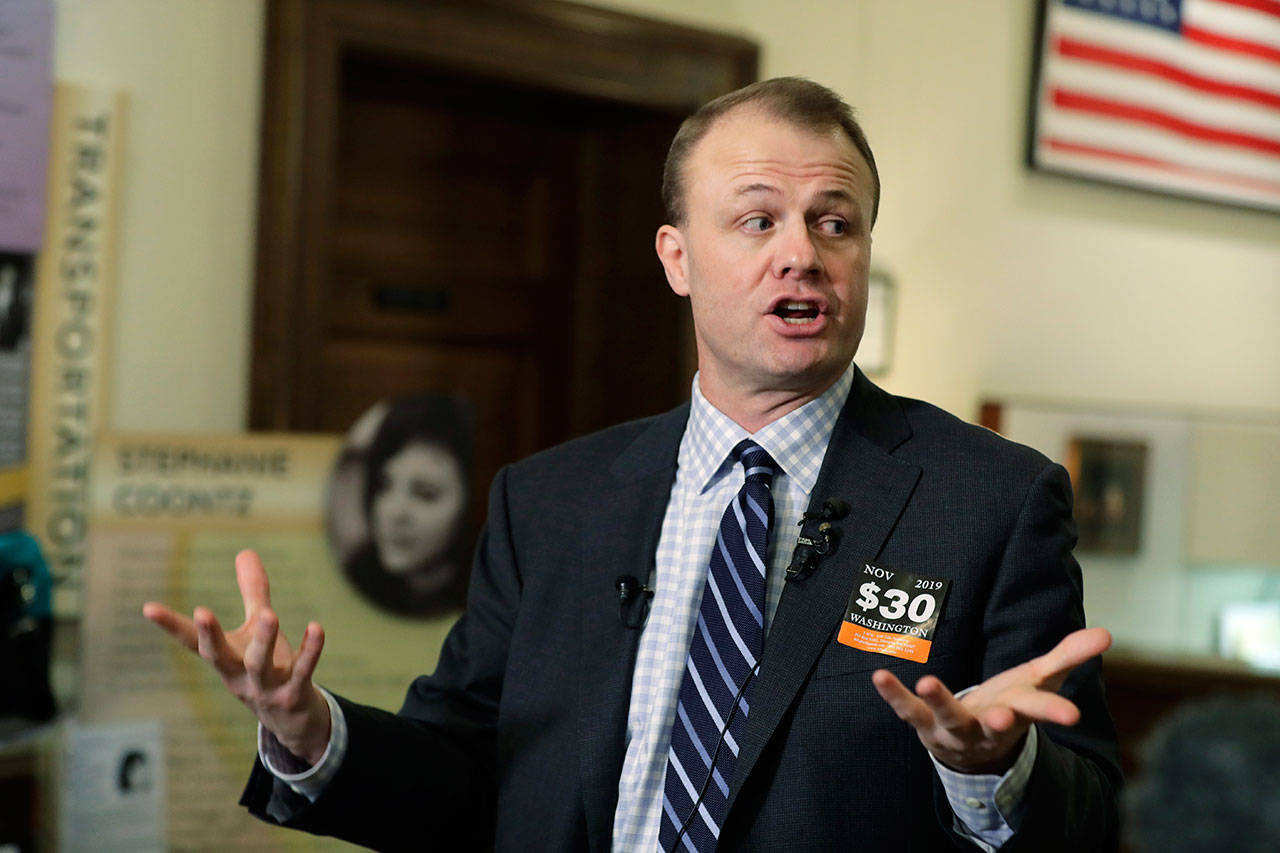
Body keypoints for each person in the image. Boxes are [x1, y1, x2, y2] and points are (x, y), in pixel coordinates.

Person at [144, 77, 1121, 851]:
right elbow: (461, 772)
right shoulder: (550, 501)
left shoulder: (989, 499)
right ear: (675, 257)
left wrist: (990, 768)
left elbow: (1087, 819)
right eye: (756, 219)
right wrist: (310, 728)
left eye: (835, 221)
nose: (802, 254)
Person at [330, 393, 473, 618]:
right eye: (384, 485)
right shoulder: (356, 579)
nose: (394, 512)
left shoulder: (491, 603)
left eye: (425, 494)